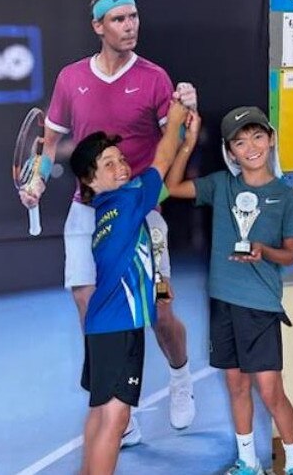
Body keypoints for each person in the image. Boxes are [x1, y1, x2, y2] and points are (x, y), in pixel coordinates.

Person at [19, 0, 196, 441]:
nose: (130, 25)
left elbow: (172, 141)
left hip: (139, 212)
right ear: (98, 26)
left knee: (160, 313)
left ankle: (180, 378)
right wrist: (38, 178)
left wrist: (187, 117)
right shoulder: (70, 78)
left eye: (133, 16)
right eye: (119, 19)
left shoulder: (155, 78)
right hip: (85, 210)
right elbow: (51, 142)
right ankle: (121, 404)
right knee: (89, 305)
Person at [165, 106, 293, 475]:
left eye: (257, 136)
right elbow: (170, 187)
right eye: (240, 141)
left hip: (260, 307)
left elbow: (291, 255)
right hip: (223, 303)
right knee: (236, 386)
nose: (250, 147)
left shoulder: (286, 196)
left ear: (271, 139)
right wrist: (184, 145)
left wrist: (264, 252)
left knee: (270, 391)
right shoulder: (220, 185)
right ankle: (247, 462)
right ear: (230, 151)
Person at [69, 100, 197, 475]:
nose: (122, 166)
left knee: (99, 414)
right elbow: (161, 159)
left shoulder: (112, 210)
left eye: (121, 159)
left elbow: (149, 257)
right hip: (119, 328)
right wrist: (175, 120)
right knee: (116, 417)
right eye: (108, 164)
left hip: (101, 327)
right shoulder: (126, 202)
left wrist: (185, 142)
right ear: (90, 182)